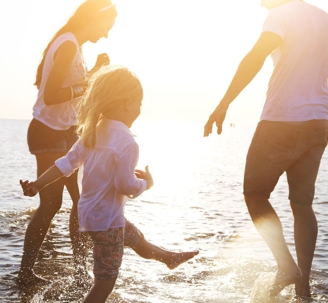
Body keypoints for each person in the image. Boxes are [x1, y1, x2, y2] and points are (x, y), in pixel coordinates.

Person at [20, 66, 199, 302]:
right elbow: (126, 185)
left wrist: (37, 184)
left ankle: (168, 258)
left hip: (90, 216)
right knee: (104, 284)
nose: (139, 110)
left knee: (136, 238)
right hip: (108, 224)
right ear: (126, 104)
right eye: (139, 104)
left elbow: (65, 165)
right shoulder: (127, 142)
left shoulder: (93, 132)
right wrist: (147, 185)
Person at [204, 0, 328, 298]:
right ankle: (303, 287)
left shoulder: (280, 15)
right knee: (302, 204)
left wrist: (224, 103)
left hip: (283, 119)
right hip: (320, 121)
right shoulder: (323, 18)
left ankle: (286, 267)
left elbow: (256, 56)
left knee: (255, 195)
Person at [18, 0, 118, 285]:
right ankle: (25, 275)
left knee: (81, 200)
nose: (107, 34)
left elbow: (68, 89)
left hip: (66, 131)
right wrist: (88, 82)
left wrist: (93, 73)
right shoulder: (68, 44)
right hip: (48, 131)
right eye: (107, 27)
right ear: (95, 18)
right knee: (51, 204)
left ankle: (80, 272)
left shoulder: (74, 45)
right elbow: (50, 95)